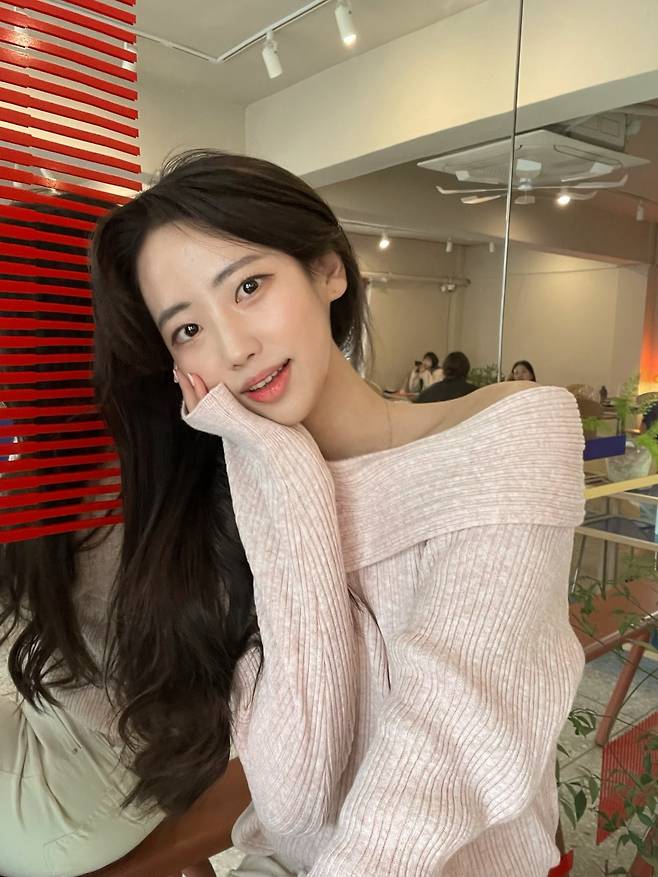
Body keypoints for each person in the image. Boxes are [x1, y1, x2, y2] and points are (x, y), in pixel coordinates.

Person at [89, 150, 585, 877]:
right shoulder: (246, 501)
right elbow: (296, 799)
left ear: (327, 269)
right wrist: (283, 464)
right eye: (187, 330)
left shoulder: (513, 431)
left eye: (249, 286)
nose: (234, 348)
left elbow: (449, 734)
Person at [0, 197, 249, 877]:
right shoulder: (81, 458)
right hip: (78, 749)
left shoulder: (197, 485)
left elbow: (287, 743)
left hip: (78, 790)